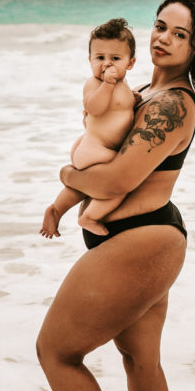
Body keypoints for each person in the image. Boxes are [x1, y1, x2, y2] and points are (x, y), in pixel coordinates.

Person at [37, 0, 195, 391]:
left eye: (180, 34)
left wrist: (67, 175)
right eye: (160, 26)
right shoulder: (143, 92)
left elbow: (115, 181)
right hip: (151, 238)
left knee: (56, 352)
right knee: (140, 359)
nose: (163, 38)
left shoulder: (172, 104)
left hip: (142, 241)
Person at [48, 17, 138, 237]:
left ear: (130, 63)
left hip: (93, 147)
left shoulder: (122, 84)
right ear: (90, 60)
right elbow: (94, 108)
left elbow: (119, 107)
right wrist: (107, 84)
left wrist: (132, 99)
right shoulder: (95, 83)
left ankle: (56, 210)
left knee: (81, 187)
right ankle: (89, 217)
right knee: (119, 185)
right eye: (100, 57)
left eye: (115, 58)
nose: (106, 64)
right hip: (95, 148)